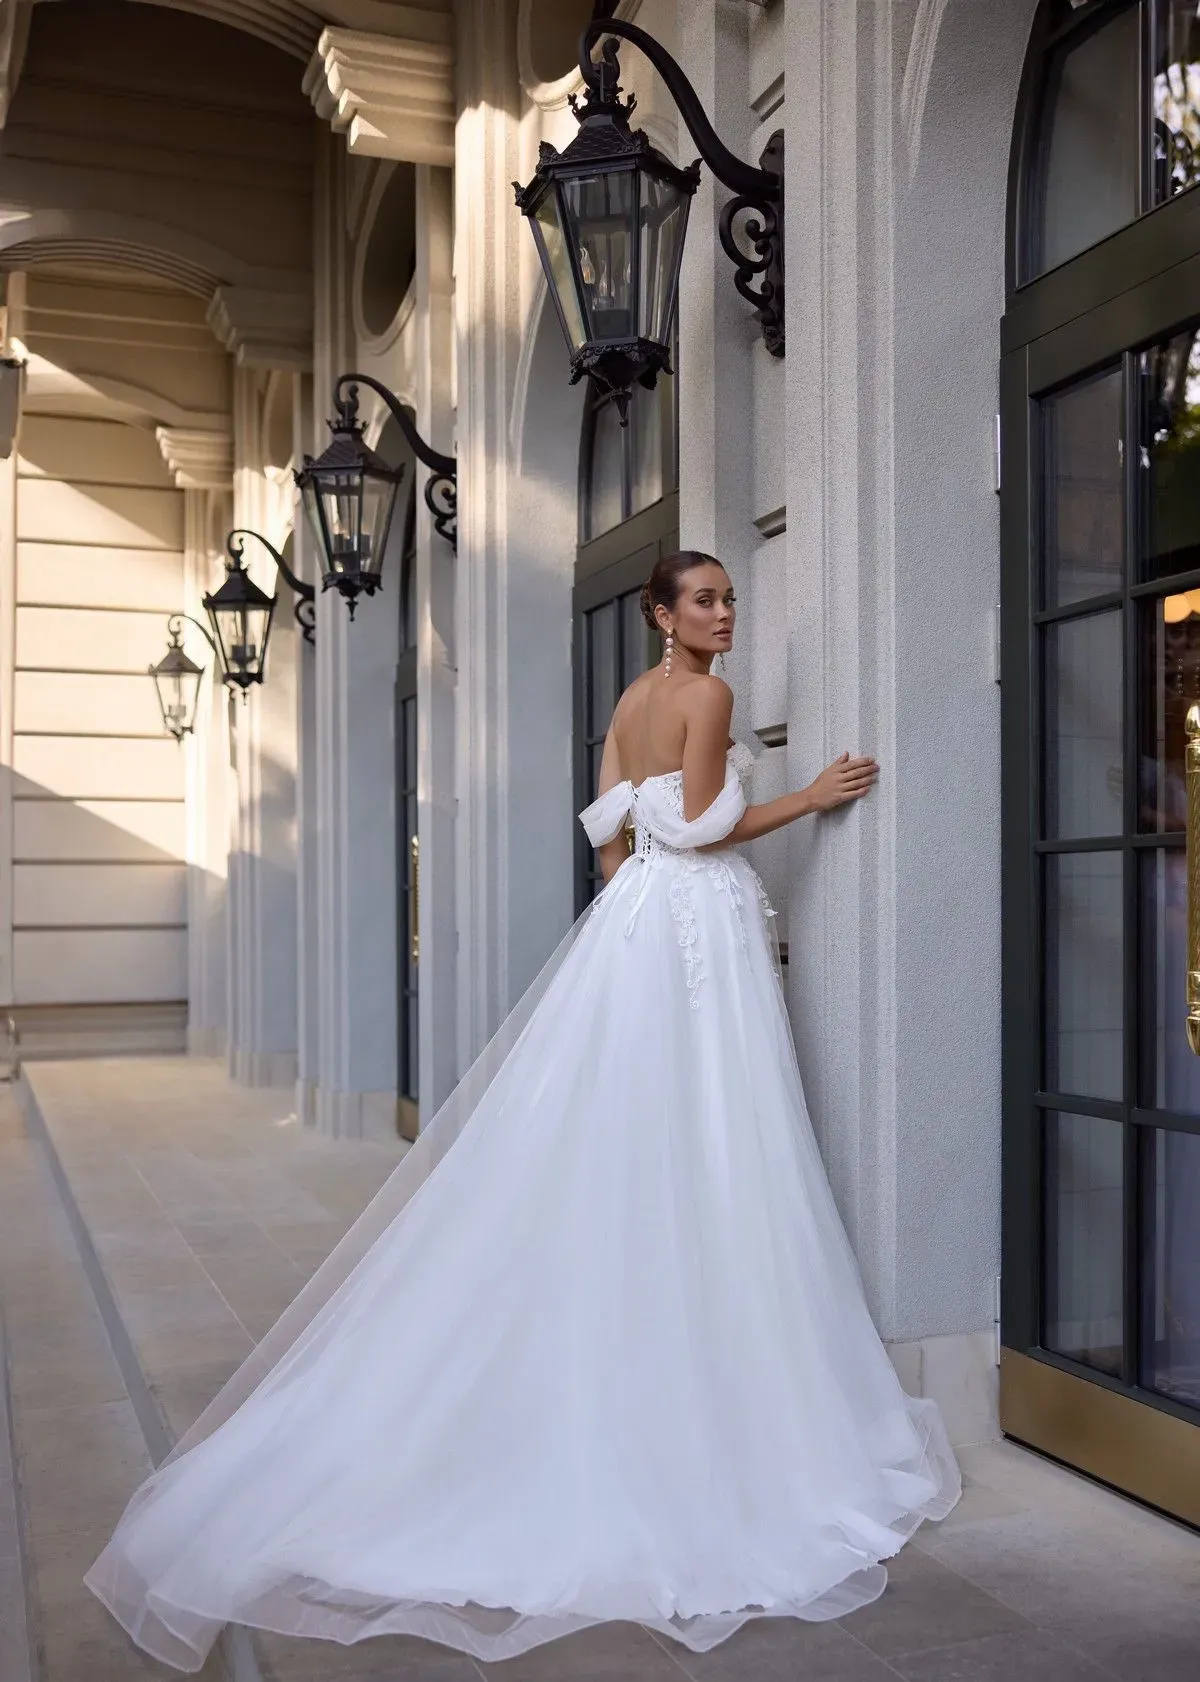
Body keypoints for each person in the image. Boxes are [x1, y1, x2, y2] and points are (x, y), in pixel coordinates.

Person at [85, 549, 960, 1672]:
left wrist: (640, 892)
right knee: (715, 1139)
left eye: (732, 598)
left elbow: (609, 831)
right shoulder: (705, 695)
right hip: (694, 924)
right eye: (705, 599)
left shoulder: (632, 699)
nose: (726, 614)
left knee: (632, 1134)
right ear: (662, 612)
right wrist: (808, 796)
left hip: (638, 926)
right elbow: (696, 827)